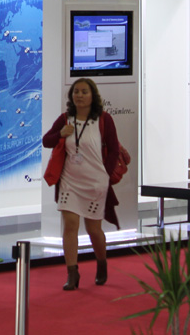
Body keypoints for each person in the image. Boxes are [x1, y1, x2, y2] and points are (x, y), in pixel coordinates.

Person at [41, 77, 120, 291]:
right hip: (70, 181)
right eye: (76, 91)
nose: (80, 95)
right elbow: (46, 141)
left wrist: (105, 173)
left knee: (93, 229)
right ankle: (72, 273)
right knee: (70, 224)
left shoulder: (104, 119)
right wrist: (60, 134)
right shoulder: (65, 119)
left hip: (95, 182)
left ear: (93, 96)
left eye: (84, 92)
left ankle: (101, 263)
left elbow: (114, 149)